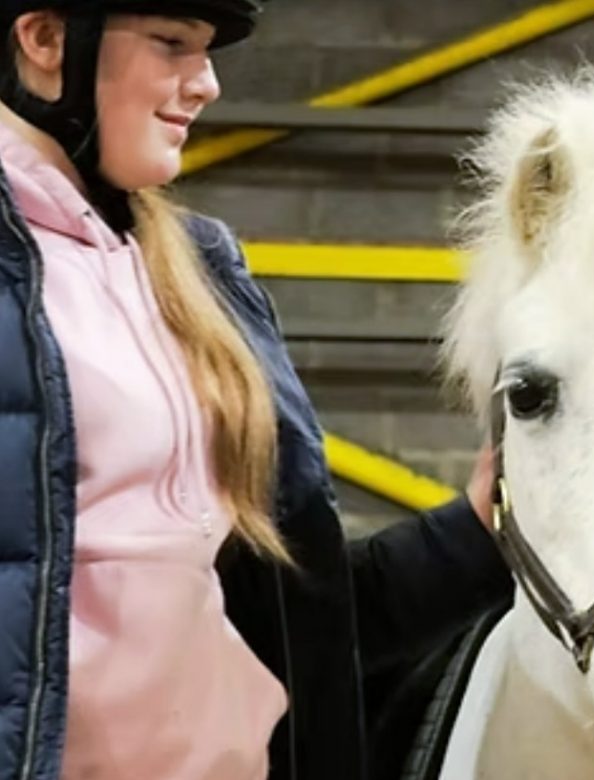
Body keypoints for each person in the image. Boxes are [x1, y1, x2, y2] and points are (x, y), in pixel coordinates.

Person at [0, 1, 509, 779]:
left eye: (206, 53)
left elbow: (294, 627)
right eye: (172, 44)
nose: (204, 84)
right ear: (45, 39)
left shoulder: (198, 271)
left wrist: (476, 533)